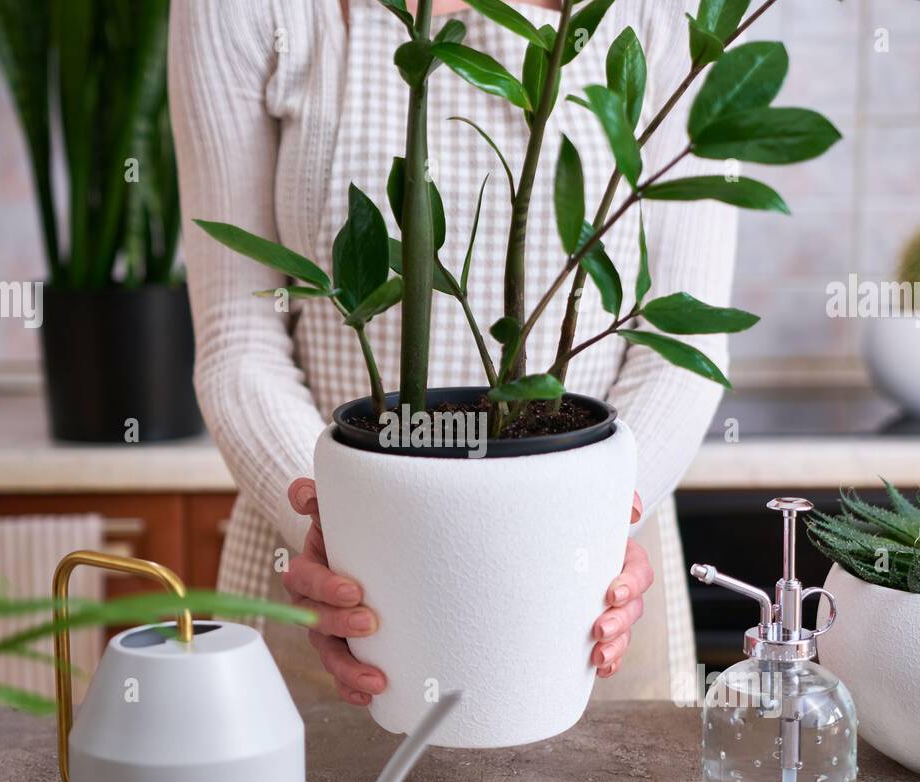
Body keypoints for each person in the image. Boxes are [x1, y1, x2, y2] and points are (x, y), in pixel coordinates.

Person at [170, 0, 736, 706]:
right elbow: (237, 335)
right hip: (331, 570)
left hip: (586, 583)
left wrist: (589, 522)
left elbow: (678, 345)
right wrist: (337, 528)